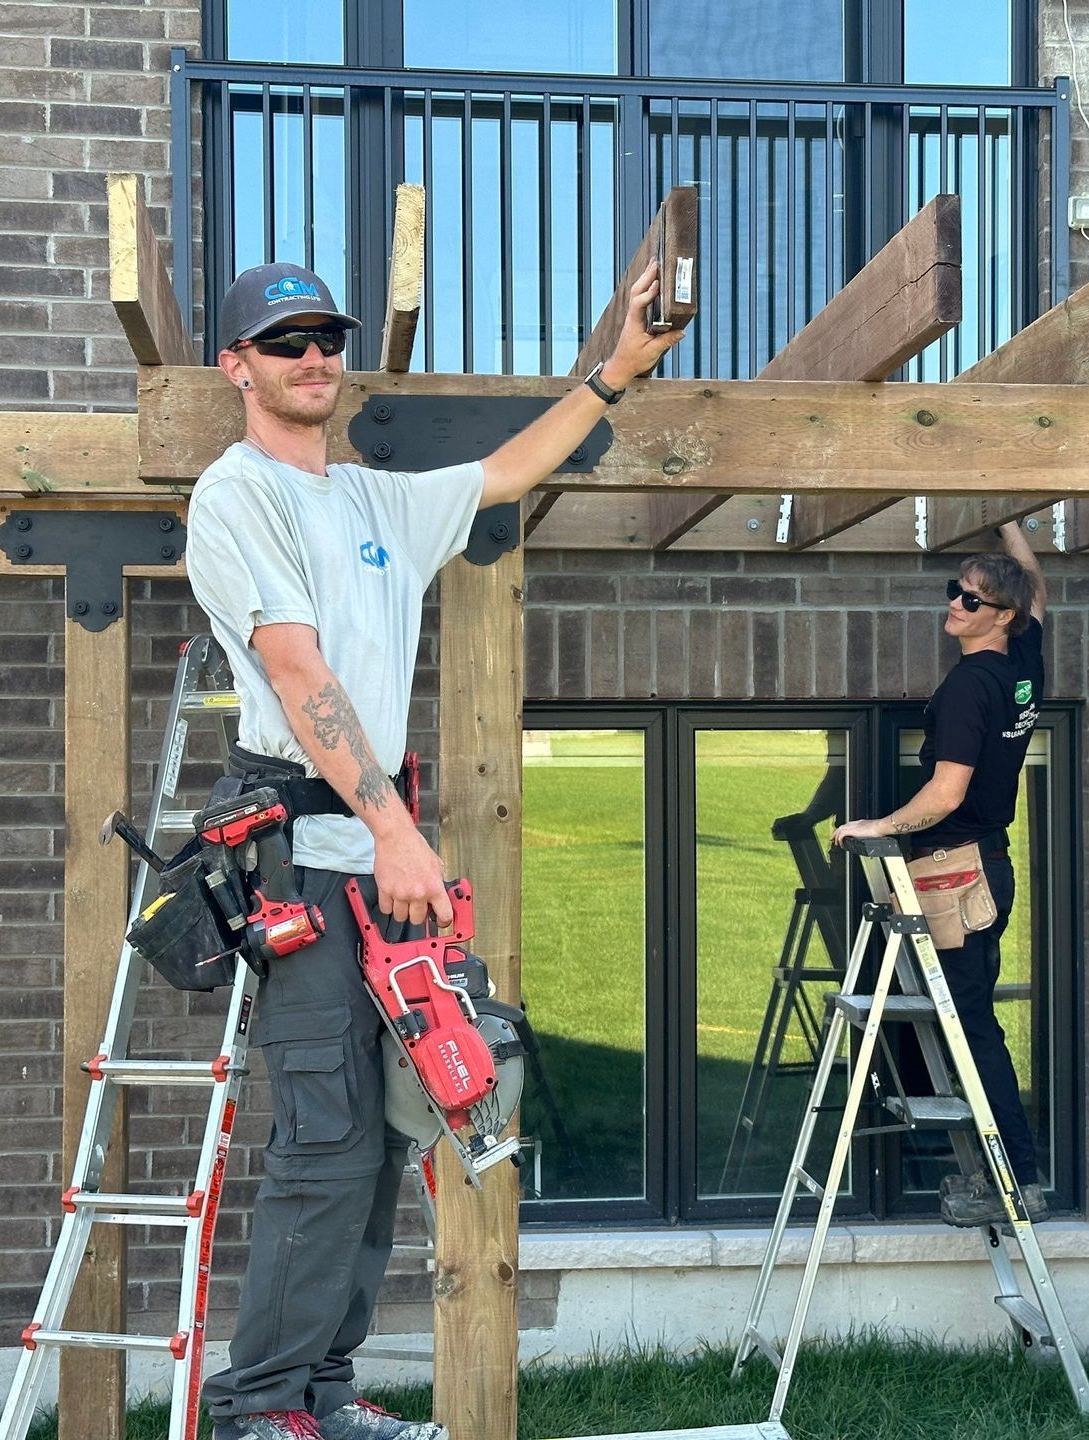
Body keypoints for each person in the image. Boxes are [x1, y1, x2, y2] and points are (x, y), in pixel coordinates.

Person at [184, 259, 684, 1440]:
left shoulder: (376, 502)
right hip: (310, 846)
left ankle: (320, 1391)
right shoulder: (236, 494)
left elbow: (509, 469)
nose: (314, 359)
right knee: (325, 1135)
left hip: (377, 852)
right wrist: (395, 828)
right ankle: (258, 1405)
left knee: (390, 1131)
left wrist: (613, 372)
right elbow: (299, 672)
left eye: (325, 340)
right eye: (286, 341)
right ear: (238, 366)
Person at [830, 521, 1049, 1228]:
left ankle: (1015, 1181)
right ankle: (1013, 1174)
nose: (955, 605)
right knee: (972, 1023)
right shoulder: (1023, 663)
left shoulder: (967, 688)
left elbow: (947, 794)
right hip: (987, 865)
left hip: (957, 874)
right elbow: (1039, 593)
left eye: (973, 601)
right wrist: (1013, 527)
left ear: (1000, 618)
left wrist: (878, 826)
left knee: (970, 1030)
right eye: (955, 592)